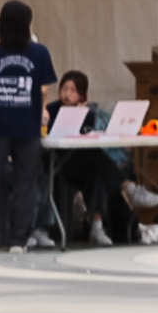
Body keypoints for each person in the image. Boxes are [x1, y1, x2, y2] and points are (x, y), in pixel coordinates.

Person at [0, 0, 56, 253]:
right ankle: (18, 239)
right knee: (24, 185)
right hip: (28, 127)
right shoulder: (40, 53)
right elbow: (43, 87)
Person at [53, 70, 129, 247]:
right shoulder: (52, 109)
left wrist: (82, 115)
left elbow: (86, 135)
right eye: (65, 89)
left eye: (73, 90)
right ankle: (127, 186)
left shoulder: (88, 113)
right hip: (58, 163)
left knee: (96, 172)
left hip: (80, 164)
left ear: (82, 94)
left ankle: (97, 226)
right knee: (95, 156)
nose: (68, 94)